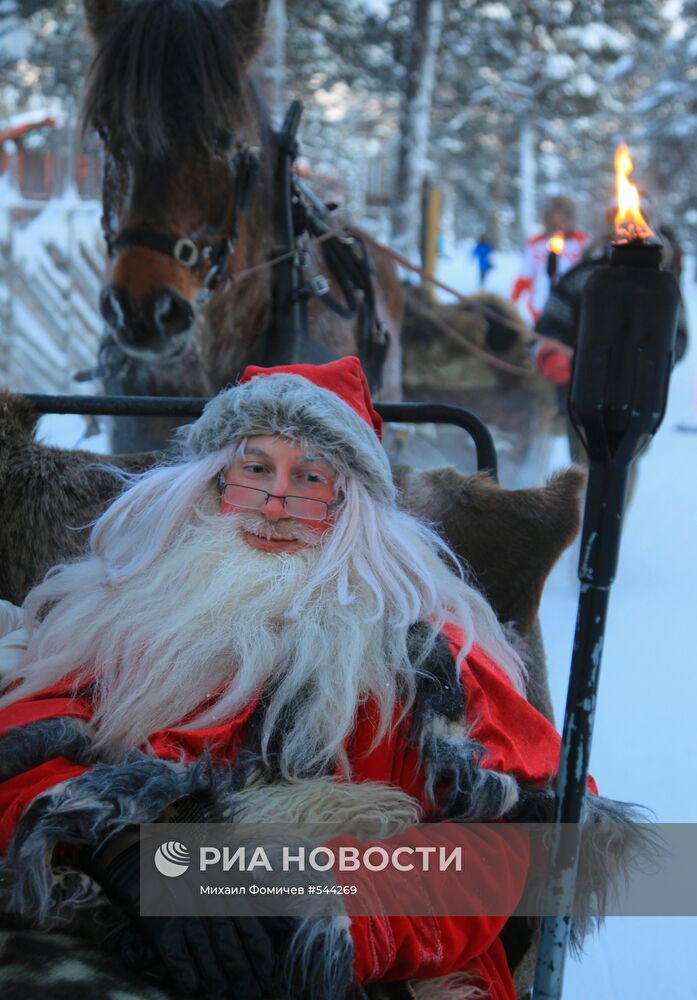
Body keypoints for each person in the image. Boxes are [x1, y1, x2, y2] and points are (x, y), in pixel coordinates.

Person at [0, 357, 635, 1000]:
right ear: (214, 483)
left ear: (350, 506)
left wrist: (301, 904)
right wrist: (122, 844)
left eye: (308, 477)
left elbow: (507, 847)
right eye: (255, 470)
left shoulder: (423, 657)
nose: (275, 504)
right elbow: (26, 741)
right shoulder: (123, 611)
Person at [533, 221, 689, 466]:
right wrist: (558, 352)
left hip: (639, 392)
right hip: (583, 386)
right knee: (585, 463)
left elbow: (679, 337)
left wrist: (653, 361)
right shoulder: (585, 276)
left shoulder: (662, 286)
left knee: (623, 462)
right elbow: (553, 319)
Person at [511, 196, 589, 325]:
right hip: (540, 309)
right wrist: (511, 303)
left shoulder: (582, 242)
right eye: (554, 215)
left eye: (564, 215)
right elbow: (524, 277)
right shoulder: (535, 244)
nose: (558, 220)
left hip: (573, 310)